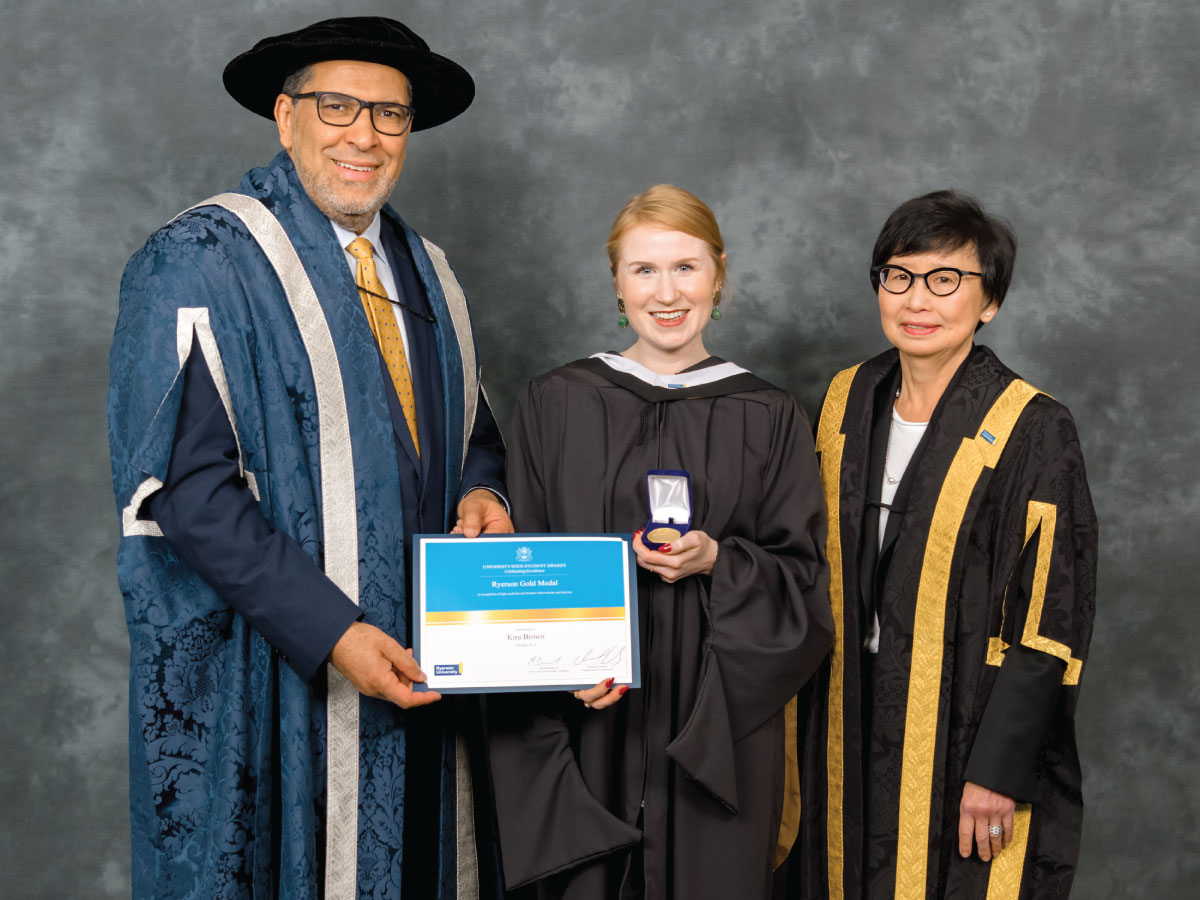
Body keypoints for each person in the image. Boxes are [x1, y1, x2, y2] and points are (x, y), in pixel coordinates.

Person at [107, 17, 513, 900]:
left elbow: (468, 429)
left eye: (389, 115)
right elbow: (188, 490)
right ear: (285, 117)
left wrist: (486, 490)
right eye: (337, 106)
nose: (363, 135)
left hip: (417, 660)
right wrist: (333, 634)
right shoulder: (201, 260)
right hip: (272, 676)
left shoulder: (429, 272)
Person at [486, 185, 834, 899]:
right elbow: (521, 568)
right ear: (616, 282)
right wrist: (557, 667)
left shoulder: (769, 415)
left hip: (718, 732)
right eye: (644, 270)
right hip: (591, 717)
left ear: (719, 276)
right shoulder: (557, 404)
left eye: (686, 267)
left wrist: (718, 560)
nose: (666, 291)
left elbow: (805, 584)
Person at [798, 190, 1098, 899]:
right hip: (847, 707)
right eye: (898, 276)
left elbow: (1051, 617)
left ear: (989, 301)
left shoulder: (1033, 426)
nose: (917, 299)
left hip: (965, 719)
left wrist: (1000, 768)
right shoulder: (847, 399)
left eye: (946, 279)